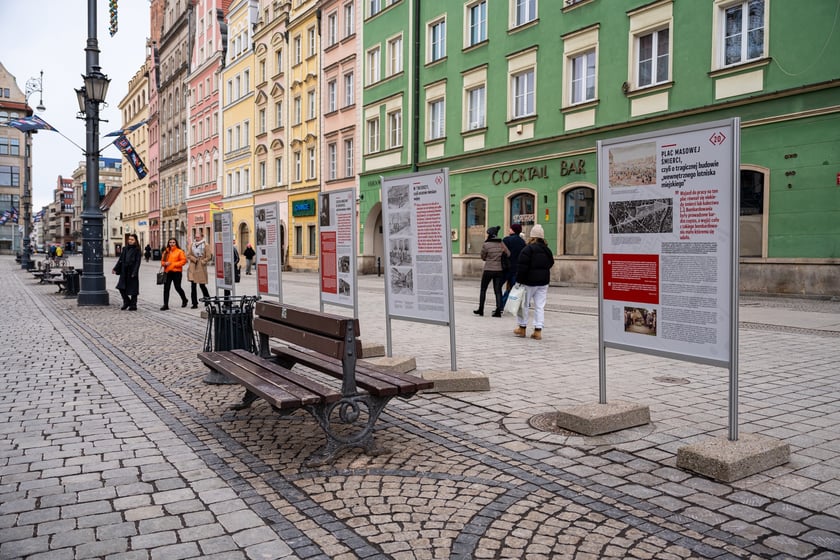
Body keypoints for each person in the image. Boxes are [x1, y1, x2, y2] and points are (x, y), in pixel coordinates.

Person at [514, 224, 555, 340]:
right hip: (543, 282)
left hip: (528, 282)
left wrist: (518, 281)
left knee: (524, 305)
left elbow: (522, 267)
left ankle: (522, 328)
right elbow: (551, 263)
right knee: (540, 306)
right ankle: (538, 330)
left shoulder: (528, 249)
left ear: (532, 236)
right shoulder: (547, 250)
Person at [473, 225, 509, 318]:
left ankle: (481, 309)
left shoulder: (486, 244)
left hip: (488, 269)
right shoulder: (501, 243)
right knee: (497, 290)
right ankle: (498, 311)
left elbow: (483, 256)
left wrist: (488, 259)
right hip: (499, 270)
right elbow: (508, 254)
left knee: (483, 289)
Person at [112, 233, 142, 310]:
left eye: (132, 239)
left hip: (132, 271)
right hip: (124, 271)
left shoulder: (137, 250)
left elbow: (138, 262)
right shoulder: (125, 248)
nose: (130, 241)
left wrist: (135, 272)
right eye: (129, 239)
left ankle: (133, 305)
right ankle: (126, 301)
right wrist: (115, 268)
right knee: (121, 287)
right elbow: (120, 259)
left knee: (133, 289)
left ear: (135, 241)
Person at [159, 237, 189, 310]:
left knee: (177, 287)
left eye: (173, 242)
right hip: (167, 272)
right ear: (168, 243)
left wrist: (173, 264)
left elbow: (184, 261)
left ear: (176, 243)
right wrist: (165, 263)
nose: (172, 244)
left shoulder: (179, 251)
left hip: (177, 272)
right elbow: (162, 262)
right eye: (170, 242)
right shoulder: (166, 251)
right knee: (166, 288)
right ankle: (165, 305)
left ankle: (184, 299)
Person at [187, 231, 212, 309]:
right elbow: (188, 255)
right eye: (196, 237)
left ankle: (207, 300)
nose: (196, 238)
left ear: (202, 237)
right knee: (193, 286)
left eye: (198, 237)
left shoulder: (206, 245)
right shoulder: (192, 244)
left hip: (201, 266)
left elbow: (209, 256)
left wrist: (202, 261)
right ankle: (194, 303)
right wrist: (195, 259)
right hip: (193, 266)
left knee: (202, 285)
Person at [502, 223, 526, 300]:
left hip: (506, 268)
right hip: (517, 269)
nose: (509, 229)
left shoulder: (506, 240)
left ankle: (501, 303)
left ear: (513, 230)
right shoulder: (522, 242)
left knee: (498, 287)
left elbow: (502, 253)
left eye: (510, 228)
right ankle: (510, 303)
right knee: (514, 288)